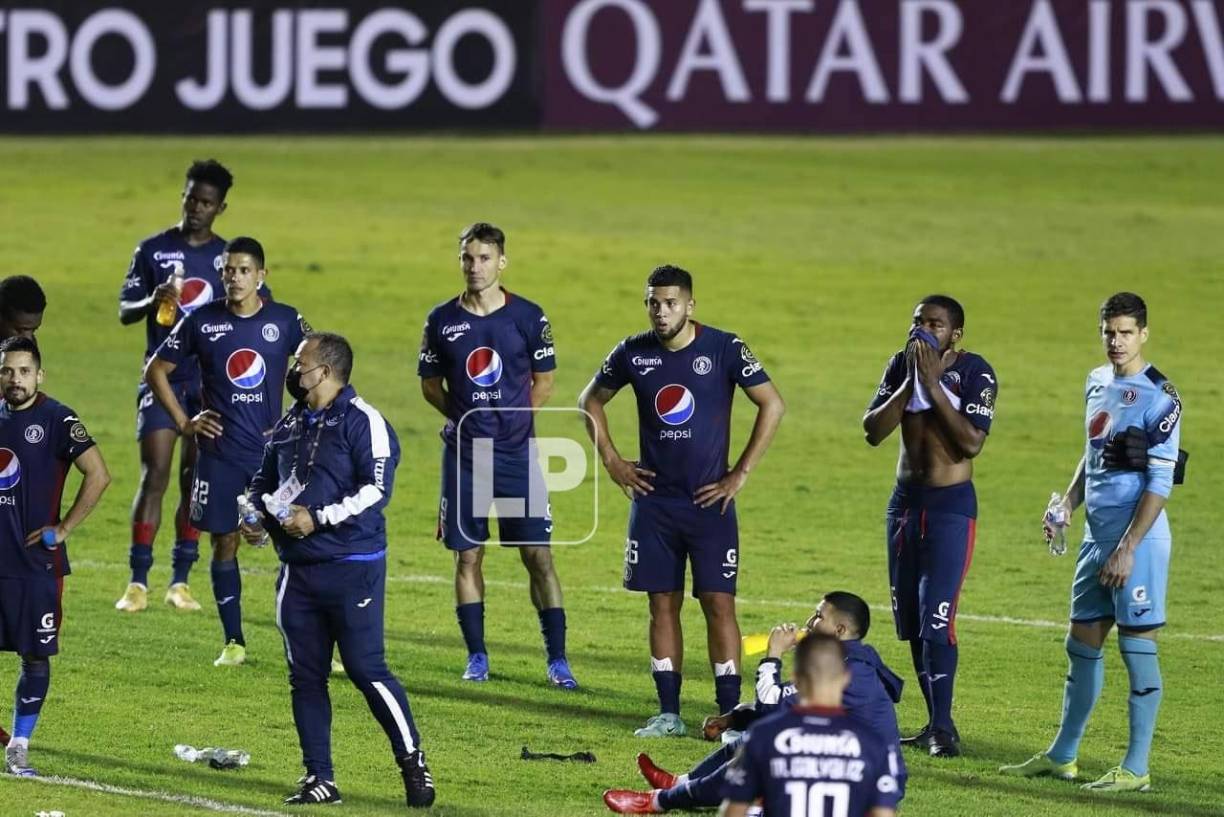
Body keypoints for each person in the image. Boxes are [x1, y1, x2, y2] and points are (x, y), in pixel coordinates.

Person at [580, 265, 785, 737]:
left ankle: (731, 717)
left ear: (690, 305)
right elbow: (590, 401)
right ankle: (668, 713)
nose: (661, 311)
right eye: (653, 302)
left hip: (710, 504)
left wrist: (740, 473)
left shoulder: (724, 348)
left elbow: (772, 404)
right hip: (654, 505)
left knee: (719, 604)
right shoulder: (633, 352)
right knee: (662, 605)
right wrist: (612, 461)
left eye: (671, 302)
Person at [241, 332, 435, 807]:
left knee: (367, 669)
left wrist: (319, 517)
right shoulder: (291, 421)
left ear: (324, 372)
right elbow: (264, 481)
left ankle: (413, 763)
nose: (292, 369)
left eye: (299, 362)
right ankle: (319, 777)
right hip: (297, 572)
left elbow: (377, 488)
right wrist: (254, 517)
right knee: (305, 677)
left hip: (352, 567)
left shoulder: (363, 421)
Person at [1000, 292, 1181, 793]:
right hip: (1095, 538)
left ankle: (1137, 768)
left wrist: (1127, 548)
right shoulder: (1096, 381)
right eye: (1108, 331)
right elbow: (1092, 453)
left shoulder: (1162, 397)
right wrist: (1066, 505)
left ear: (1144, 333)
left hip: (1136, 543)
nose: (1116, 342)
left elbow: (1160, 484)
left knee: (1136, 649)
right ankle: (1063, 756)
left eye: (1125, 332)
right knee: (1081, 645)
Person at [418, 222, 577, 688]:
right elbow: (430, 386)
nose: (475, 266)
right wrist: (466, 418)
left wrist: (511, 420)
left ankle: (558, 659)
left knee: (538, 555)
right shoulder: (441, 320)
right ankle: (477, 657)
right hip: (465, 458)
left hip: (516, 455)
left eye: (484, 258)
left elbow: (545, 382)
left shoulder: (528, 317)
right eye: (468, 258)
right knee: (467, 557)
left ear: (501, 262)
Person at [146, 236, 308, 666]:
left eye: (243, 270)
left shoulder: (286, 320)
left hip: (274, 457)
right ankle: (234, 642)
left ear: (261, 275)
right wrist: (184, 422)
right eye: (228, 270)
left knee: (300, 545)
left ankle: (312, 647)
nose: (235, 278)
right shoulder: (202, 322)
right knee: (224, 543)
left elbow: (319, 362)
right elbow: (155, 370)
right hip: (219, 455)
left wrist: (301, 418)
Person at [603, 591, 906, 813]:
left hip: (857, 780)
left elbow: (772, 704)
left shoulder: (849, 668)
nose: (809, 622)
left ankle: (658, 802)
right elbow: (785, 701)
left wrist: (772, 655)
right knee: (758, 740)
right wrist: (733, 718)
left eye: (818, 616)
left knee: (759, 748)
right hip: (841, 766)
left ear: (839, 630)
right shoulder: (846, 658)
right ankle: (679, 784)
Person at [861, 294, 997, 757]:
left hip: (949, 508)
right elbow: (873, 431)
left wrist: (935, 386)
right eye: (917, 321)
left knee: (938, 619)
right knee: (913, 624)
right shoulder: (900, 366)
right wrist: (911, 382)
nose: (922, 330)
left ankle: (942, 726)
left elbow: (970, 444)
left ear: (955, 333)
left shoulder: (976, 371)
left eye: (934, 324)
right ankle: (934, 722)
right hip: (903, 506)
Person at [116, 159, 236, 613]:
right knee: (155, 474)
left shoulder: (229, 260)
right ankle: (137, 582)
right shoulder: (152, 250)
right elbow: (125, 311)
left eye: (206, 202)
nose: (196, 208)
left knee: (195, 479)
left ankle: (180, 580)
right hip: (162, 377)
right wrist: (154, 299)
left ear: (221, 207)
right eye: (190, 198)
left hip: (207, 385)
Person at [0, 337, 111, 775]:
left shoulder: (58, 419)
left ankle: (20, 744)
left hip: (34, 568)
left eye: (24, 371)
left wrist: (62, 529)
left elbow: (98, 474)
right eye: (8, 371)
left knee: (35, 656)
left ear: (39, 375)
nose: (15, 380)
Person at [717, 633, 901, 817]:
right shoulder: (872, 743)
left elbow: (733, 812)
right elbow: (883, 813)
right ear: (845, 678)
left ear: (795, 678)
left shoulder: (764, 736)